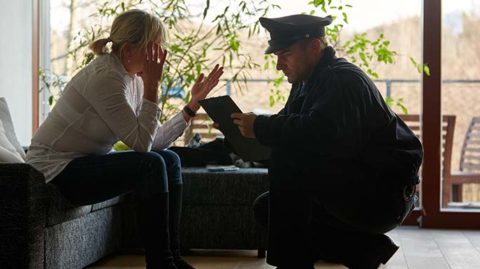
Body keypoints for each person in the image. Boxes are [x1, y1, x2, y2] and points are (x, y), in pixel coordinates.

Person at [26, 9, 223, 269]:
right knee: (150, 164)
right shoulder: (106, 77)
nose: (160, 57)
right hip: (55, 169)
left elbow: (153, 141)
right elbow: (142, 146)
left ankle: (172, 259)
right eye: (154, 50)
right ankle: (161, 264)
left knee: (170, 159)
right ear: (129, 50)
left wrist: (192, 106)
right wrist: (153, 86)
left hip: (86, 163)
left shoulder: (133, 79)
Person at [230, 14, 422, 269]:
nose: (278, 65)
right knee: (266, 207)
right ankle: (366, 250)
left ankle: (291, 264)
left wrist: (262, 126)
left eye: (285, 54)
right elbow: (286, 126)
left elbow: (318, 133)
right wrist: (238, 132)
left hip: (384, 196)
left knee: (287, 160)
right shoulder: (306, 81)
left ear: (314, 47)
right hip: (356, 184)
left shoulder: (341, 80)